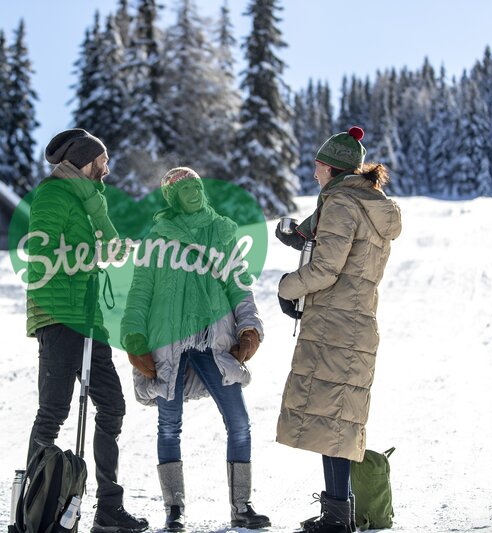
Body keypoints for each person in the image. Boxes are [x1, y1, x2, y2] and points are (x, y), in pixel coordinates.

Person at [121, 167, 271, 532]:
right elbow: (139, 293)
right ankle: (174, 510)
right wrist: (134, 337)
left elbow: (239, 286)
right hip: (167, 343)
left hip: (212, 341)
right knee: (168, 426)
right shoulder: (155, 240)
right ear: (172, 198)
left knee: (239, 422)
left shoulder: (221, 233)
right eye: (185, 189)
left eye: (196, 186)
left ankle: (242, 507)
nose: (193, 192)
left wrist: (249, 327)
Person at [275, 127, 402, 533]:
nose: (314, 173)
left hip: (336, 325)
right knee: (337, 420)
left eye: (317, 166)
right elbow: (340, 252)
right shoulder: (364, 202)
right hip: (354, 321)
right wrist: (301, 238)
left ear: (331, 168)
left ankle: (337, 518)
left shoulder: (342, 204)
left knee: (333, 421)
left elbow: (327, 269)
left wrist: (287, 287)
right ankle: (338, 512)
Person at [25, 128, 148, 533]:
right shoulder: (53, 195)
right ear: (84, 160)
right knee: (53, 412)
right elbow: (41, 252)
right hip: (58, 315)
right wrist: (92, 253)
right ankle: (34, 508)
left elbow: (99, 250)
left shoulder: (89, 199)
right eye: (102, 161)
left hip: (88, 316)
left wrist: (110, 249)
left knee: (112, 406)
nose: (107, 169)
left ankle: (108, 509)